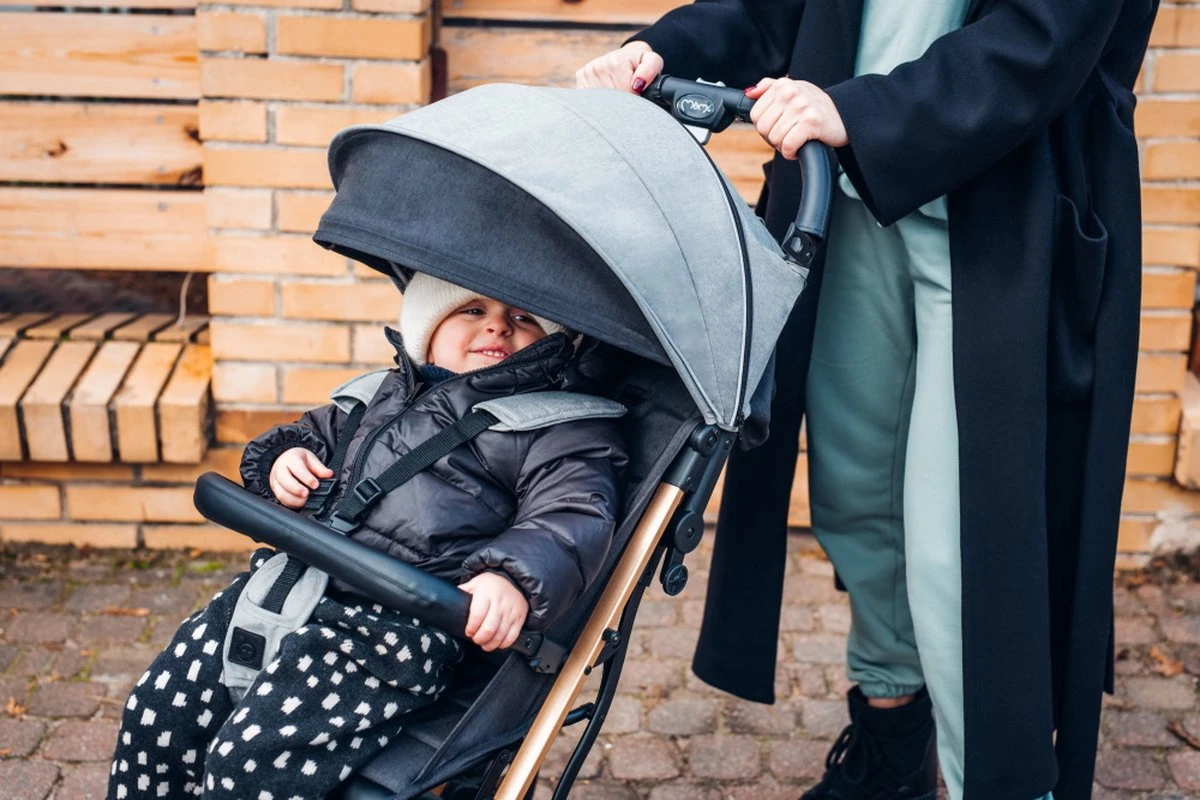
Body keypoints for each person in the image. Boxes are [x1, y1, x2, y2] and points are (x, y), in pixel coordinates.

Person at [578, 1, 1157, 799]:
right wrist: (662, 48)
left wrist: (857, 110)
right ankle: (893, 745)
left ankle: (997, 783)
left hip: (1003, 226)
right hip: (847, 199)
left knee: (960, 552)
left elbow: (1044, 36)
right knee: (858, 500)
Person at [105, 273, 626, 800]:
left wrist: (508, 575)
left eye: (523, 317)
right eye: (472, 310)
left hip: (394, 631)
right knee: (155, 713)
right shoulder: (379, 394)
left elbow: (571, 514)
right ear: (428, 325)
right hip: (284, 589)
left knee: (252, 762)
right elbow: (305, 433)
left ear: (556, 341)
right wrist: (284, 460)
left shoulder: (560, 428)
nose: (496, 325)